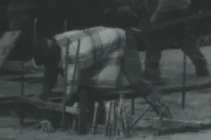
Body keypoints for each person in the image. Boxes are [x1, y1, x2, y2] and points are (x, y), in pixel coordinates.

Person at [33, 27, 172, 125]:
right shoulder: (56, 43)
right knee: (90, 83)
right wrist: (41, 99)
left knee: (136, 81)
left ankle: (164, 111)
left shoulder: (74, 53)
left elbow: (71, 90)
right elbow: (50, 73)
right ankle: (98, 116)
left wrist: (55, 111)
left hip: (122, 40)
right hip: (100, 48)